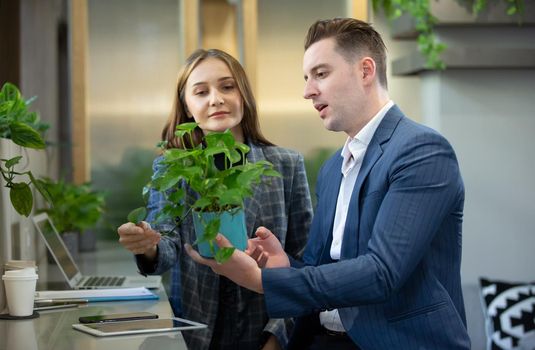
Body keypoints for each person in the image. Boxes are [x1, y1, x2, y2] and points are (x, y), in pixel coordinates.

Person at [186, 18, 471, 349]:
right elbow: (320, 268)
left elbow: (382, 273)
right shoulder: (333, 168)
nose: (308, 91)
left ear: (366, 71)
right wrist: (284, 263)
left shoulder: (421, 150)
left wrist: (264, 280)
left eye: (320, 74)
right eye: (306, 78)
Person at [117, 48, 313, 350]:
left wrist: (277, 337)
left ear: (243, 94)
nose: (216, 99)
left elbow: (304, 260)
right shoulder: (173, 167)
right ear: (186, 105)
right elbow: (166, 247)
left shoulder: (286, 165)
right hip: (195, 333)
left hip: (265, 329)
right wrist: (149, 246)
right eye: (201, 91)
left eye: (227, 86)